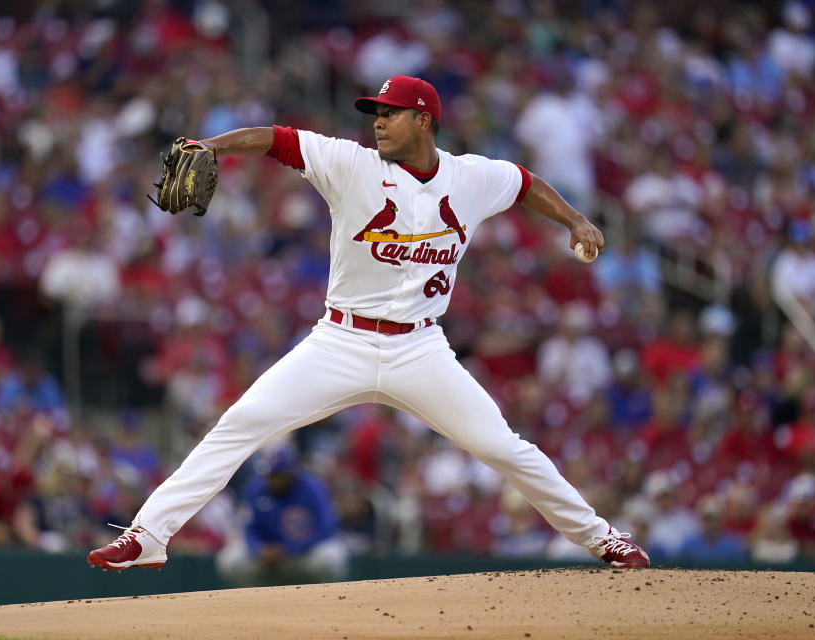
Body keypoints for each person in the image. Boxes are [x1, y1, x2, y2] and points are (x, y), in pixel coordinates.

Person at [87, 76, 649, 571]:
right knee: (241, 423)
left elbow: (525, 183)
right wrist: (212, 145)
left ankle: (603, 538)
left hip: (422, 349)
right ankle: (148, 535)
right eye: (375, 113)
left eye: (388, 113)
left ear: (423, 120)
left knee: (503, 448)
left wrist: (576, 219)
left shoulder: (472, 178)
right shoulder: (350, 164)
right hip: (340, 341)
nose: (377, 122)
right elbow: (277, 138)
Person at [214, 444, 348, 586]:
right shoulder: (256, 488)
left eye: (279, 475)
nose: (273, 480)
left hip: (302, 555)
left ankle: (323, 600)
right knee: (230, 559)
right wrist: (259, 548)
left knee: (330, 557)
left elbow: (325, 528)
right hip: (266, 557)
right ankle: (254, 602)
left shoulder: (313, 488)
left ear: (292, 472)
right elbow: (248, 527)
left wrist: (287, 549)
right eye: (271, 475)